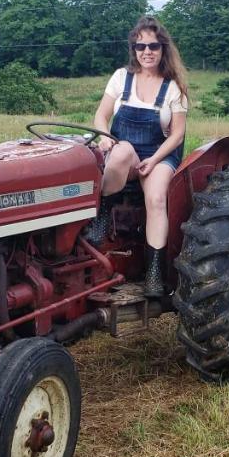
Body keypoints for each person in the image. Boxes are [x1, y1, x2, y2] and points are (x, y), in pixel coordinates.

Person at [87, 16, 189, 298]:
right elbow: (101, 115)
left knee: (156, 199)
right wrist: (105, 135)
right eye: (140, 46)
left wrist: (154, 160)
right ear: (133, 49)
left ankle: (154, 272)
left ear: (162, 49)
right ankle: (103, 216)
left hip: (159, 153)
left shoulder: (173, 89)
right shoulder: (121, 77)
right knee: (120, 151)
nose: (147, 52)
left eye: (153, 46)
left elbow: (177, 134)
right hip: (126, 151)